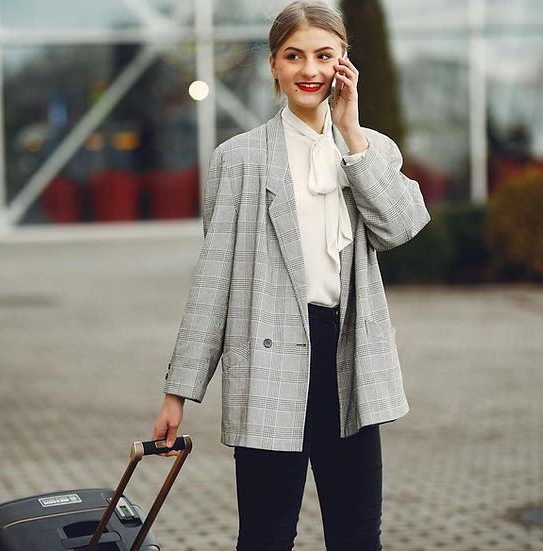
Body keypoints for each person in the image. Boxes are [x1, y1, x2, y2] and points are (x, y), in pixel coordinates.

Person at [151, 2, 430, 549]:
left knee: (356, 538)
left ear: (343, 63)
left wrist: (351, 132)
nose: (309, 70)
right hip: (267, 360)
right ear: (274, 67)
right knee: (265, 536)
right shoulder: (238, 159)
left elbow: (401, 227)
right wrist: (178, 392)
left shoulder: (370, 150)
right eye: (294, 56)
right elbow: (215, 282)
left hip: (346, 362)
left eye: (324, 56)